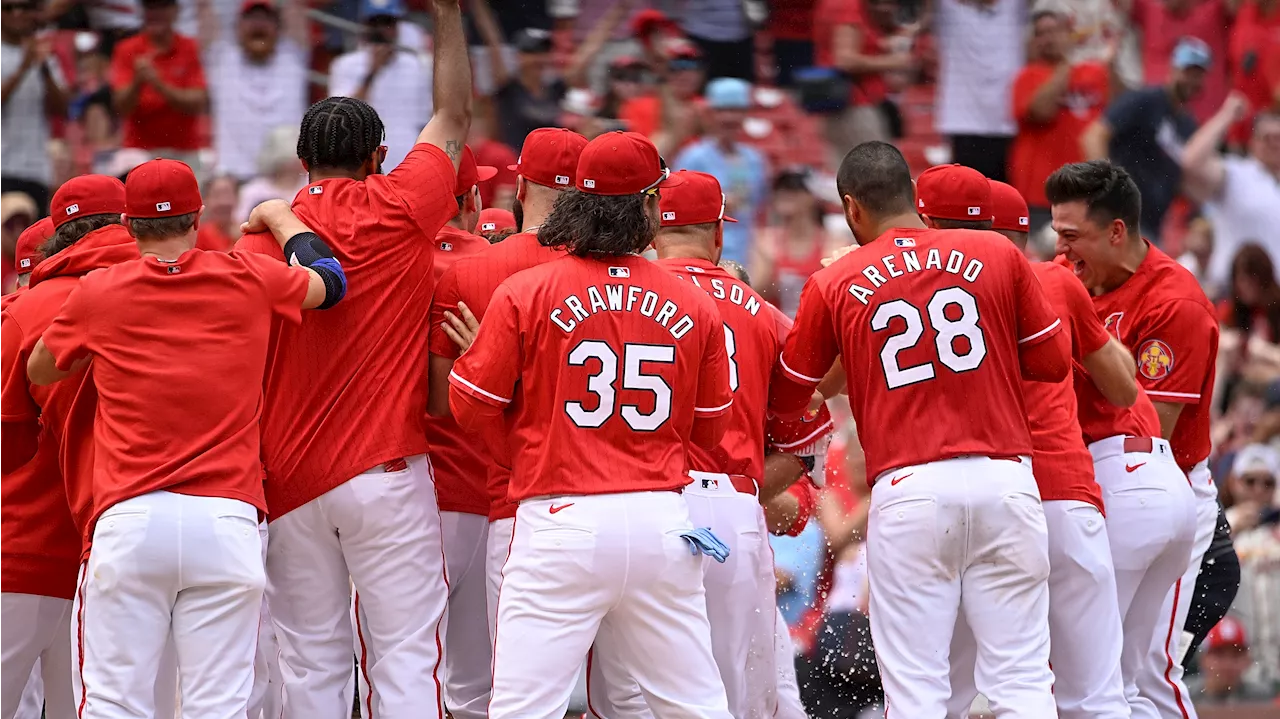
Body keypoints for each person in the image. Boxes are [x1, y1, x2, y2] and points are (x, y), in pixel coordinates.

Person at [24, 158, 343, 718]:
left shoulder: (101, 290)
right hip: (226, 516)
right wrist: (280, 216)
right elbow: (331, 283)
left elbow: (41, 370)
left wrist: (114, 347)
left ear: (129, 224)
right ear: (197, 217)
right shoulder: (244, 274)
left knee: (114, 705)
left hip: (131, 515)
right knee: (215, 708)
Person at [768, 141, 1070, 716]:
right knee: (1022, 679)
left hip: (909, 490)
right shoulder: (995, 253)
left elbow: (791, 397)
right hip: (1004, 478)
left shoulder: (836, 281)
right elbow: (1052, 363)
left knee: (916, 688)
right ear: (914, 198)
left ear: (853, 209)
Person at [233, 0, 471, 714]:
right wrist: (448, 12)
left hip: (291, 481)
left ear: (303, 164)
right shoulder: (404, 204)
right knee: (405, 660)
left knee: (311, 665)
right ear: (377, 159)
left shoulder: (257, 241)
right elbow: (454, 114)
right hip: (387, 469)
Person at [448, 130, 735, 719]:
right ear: (652, 205)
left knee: (521, 711)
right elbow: (709, 433)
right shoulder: (695, 302)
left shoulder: (525, 291)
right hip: (659, 520)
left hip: (560, 517)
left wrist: (522, 453)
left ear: (578, 201)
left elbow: (470, 406)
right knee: (695, 709)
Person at [916, 168, 1135, 719]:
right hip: (1061, 495)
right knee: (1089, 696)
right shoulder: (1056, 282)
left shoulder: (915, 290)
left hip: (966, 502)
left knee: (948, 694)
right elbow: (1124, 387)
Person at [1047, 159, 1235, 719]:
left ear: (1117, 231)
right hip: (1099, 489)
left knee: (1150, 671)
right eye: (1058, 234)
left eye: (1071, 235)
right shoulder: (1068, 276)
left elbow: (1154, 431)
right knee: (1103, 673)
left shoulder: (1173, 302)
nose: (1061, 248)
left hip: (1159, 483)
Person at [645, 169, 834, 719]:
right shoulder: (764, 313)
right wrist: (742, 492)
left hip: (637, 500)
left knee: (634, 689)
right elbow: (803, 444)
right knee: (737, 695)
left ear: (652, 225)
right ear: (720, 236)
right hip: (729, 508)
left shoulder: (622, 293)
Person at [427, 126, 588, 636]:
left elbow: (441, 402)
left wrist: (487, 361)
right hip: (612, 500)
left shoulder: (470, 274)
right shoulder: (615, 272)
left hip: (511, 501)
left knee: (507, 693)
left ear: (519, 190)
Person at [357, 144, 494, 719]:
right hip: (484, 493)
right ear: (471, 200)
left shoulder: (374, 258)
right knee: (476, 687)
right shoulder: (492, 264)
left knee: (391, 671)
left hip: (398, 489)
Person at [1081, 37, 1208, 241]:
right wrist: (1106, 189)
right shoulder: (1146, 100)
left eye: (1198, 75)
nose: (1192, 80)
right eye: (1188, 72)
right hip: (1119, 218)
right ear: (1173, 69)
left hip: (1152, 227)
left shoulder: (1189, 126)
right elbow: (1094, 136)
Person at [1008, 6, 1110, 230]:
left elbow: (1118, 113)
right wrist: (1066, 66)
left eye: (1054, 31)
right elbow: (1042, 111)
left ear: (1069, 33)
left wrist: (1110, 56)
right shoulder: (1026, 77)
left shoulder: (1095, 72)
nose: (1047, 38)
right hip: (1041, 194)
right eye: (1040, 33)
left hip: (1085, 192)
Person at [200, 0, 308, 183]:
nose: (258, 24)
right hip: (234, 178)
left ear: (278, 28)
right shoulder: (222, 60)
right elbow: (204, 8)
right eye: (251, 19)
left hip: (285, 180)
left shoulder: (292, 58)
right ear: (237, 28)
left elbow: (295, 7)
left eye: (266, 19)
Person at [1181, 93, 1280, 291]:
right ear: (1252, 142)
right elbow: (1191, 162)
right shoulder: (1235, 173)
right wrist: (1227, 116)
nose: (1273, 144)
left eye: (1278, 138)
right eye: (1266, 138)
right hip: (1235, 294)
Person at [673, 78, 769, 268]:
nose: (729, 118)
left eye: (736, 110)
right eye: (722, 110)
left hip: (746, 256)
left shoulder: (755, 159)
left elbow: (760, 213)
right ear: (709, 114)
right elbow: (677, 209)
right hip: (704, 256)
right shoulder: (692, 157)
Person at [328, 0, 432, 171]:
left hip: (408, 156)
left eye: (388, 23)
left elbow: (425, 120)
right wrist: (372, 72)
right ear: (365, 26)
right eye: (375, 23)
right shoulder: (345, 64)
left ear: (398, 26)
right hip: (364, 159)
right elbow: (339, 116)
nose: (382, 30)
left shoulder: (417, 66)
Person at [929, 0, 1023, 183]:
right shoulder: (948, 9)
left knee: (1005, 203)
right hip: (964, 123)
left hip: (1007, 124)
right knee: (967, 201)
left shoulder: (1013, 7)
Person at [110, 0, 209, 168]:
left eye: (162, 6)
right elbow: (120, 107)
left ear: (175, 11)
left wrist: (159, 85)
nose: (156, 13)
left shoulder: (189, 47)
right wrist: (137, 82)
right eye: (150, 7)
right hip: (138, 149)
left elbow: (198, 102)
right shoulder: (127, 49)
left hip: (184, 150)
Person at [0, 0, 70, 215]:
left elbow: (64, 109)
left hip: (36, 168)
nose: (18, 13)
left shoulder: (44, 56)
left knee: (33, 244)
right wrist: (23, 67)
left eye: (25, 6)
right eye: (9, 8)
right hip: (2, 166)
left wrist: (44, 69)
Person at [750, 167, 838, 318]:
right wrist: (769, 272)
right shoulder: (766, 241)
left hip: (815, 334)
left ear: (813, 197)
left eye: (794, 189)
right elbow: (753, 296)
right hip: (778, 333)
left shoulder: (833, 244)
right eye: (780, 189)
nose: (785, 194)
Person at [1187, 617, 1274, 703]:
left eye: (1236, 655)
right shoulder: (1185, 695)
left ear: (1247, 660)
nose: (1228, 663)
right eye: (1219, 654)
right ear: (1203, 658)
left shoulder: (1261, 698)